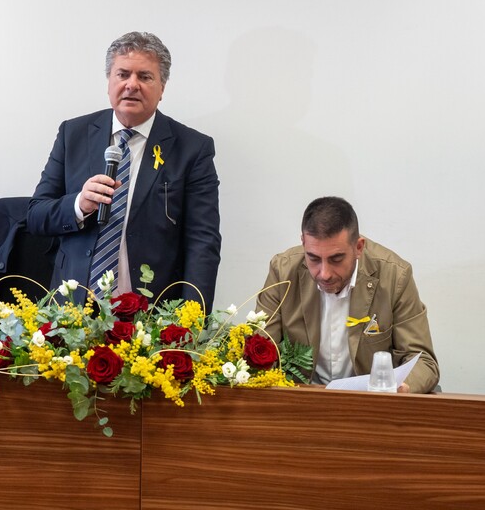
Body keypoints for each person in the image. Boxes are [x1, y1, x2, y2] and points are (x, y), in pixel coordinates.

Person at [27, 31, 221, 308]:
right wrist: (79, 205)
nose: (132, 85)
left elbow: (203, 241)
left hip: (151, 310)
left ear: (162, 88)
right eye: (123, 74)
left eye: (145, 76)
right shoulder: (73, 134)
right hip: (73, 307)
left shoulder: (192, 148)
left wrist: (192, 318)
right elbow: (36, 216)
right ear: (109, 81)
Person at [257, 197, 440, 393]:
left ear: (358, 247)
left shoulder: (394, 275)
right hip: (302, 398)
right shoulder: (282, 272)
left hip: (371, 402)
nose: (324, 273)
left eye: (336, 259)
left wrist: (397, 389)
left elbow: (423, 362)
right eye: (313, 258)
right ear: (303, 242)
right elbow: (259, 349)